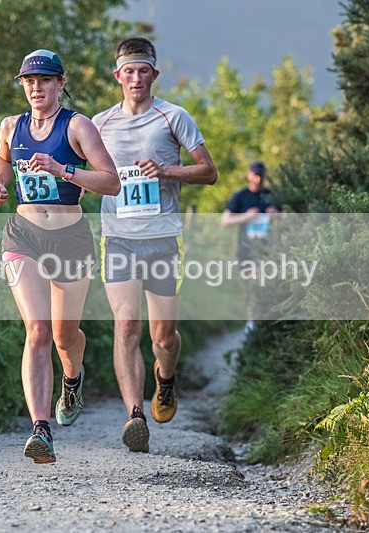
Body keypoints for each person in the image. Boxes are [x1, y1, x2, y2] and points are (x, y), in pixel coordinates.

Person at [0, 49, 119, 463]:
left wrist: (63, 170)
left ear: (61, 83)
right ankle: (41, 430)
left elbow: (111, 182)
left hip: (70, 239)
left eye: (45, 80)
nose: (36, 88)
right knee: (38, 330)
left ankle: (73, 377)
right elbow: (3, 160)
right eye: (29, 81)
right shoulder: (11, 126)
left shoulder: (77, 126)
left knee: (64, 336)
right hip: (23, 235)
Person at [93, 37, 217, 453]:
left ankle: (166, 380)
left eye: (143, 70)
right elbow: (81, 173)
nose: (136, 78)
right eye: (128, 71)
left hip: (163, 240)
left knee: (163, 338)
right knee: (127, 326)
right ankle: (135, 416)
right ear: (118, 76)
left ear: (154, 75)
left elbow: (208, 172)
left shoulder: (173, 117)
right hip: (118, 239)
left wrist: (166, 170)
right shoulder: (99, 125)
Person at [221, 161, 280, 332]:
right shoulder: (240, 196)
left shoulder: (272, 195)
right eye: (255, 174)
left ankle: (261, 323)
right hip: (246, 250)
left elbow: (289, 218)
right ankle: (253, 322)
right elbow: (225, 221)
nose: (258, 178)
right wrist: (245, 217)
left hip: (268, 251)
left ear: (265, 175)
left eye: (260, 175)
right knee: (250, 287)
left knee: (262, 283)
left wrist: (276, 214)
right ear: (249, 175)